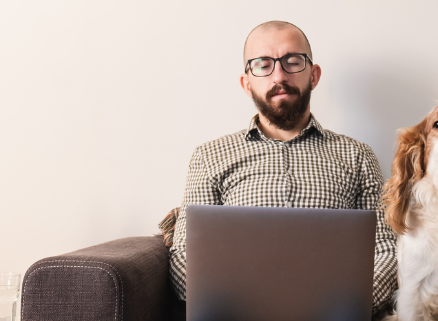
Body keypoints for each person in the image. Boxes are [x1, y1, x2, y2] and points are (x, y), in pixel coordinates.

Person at [168, 20, 398, 315]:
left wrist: (343, 305)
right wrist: (244, 302)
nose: (279, 75)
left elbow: (386, 252)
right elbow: (184, 258)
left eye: (292, 62)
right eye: (263, 64)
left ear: (313, 76)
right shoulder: (208, 156)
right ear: (246, 82)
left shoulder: (358, 156)